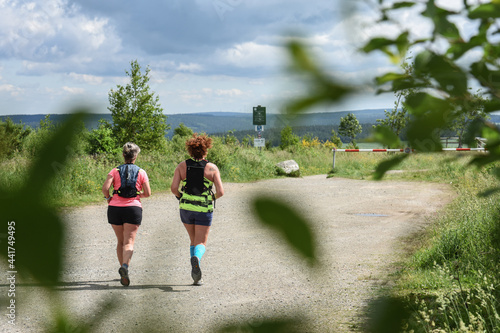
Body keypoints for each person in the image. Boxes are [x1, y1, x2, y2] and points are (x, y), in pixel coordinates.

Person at [171, 134, 224, 285]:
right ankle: (197, 260)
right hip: (203, 209)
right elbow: (221, 192)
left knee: (193, 239)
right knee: (201, 241)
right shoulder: (212, 168)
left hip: (186, 208)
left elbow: (174, 188)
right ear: (206, 150)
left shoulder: (182, 166)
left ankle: (196, 276)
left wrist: (181, 196)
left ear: (190, 150)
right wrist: (210, 199)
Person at [102, 142, 151, 286]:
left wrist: (108, 198)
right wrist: (137, 196)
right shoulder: (141, 172)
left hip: (115, 208)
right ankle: (125, 266)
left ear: (123, 154)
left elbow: (105, 188)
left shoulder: (114, 171)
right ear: (136, 156)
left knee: (120, 241)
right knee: (129, 242)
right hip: (133, 208)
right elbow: (148, 193)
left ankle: (124, 270)